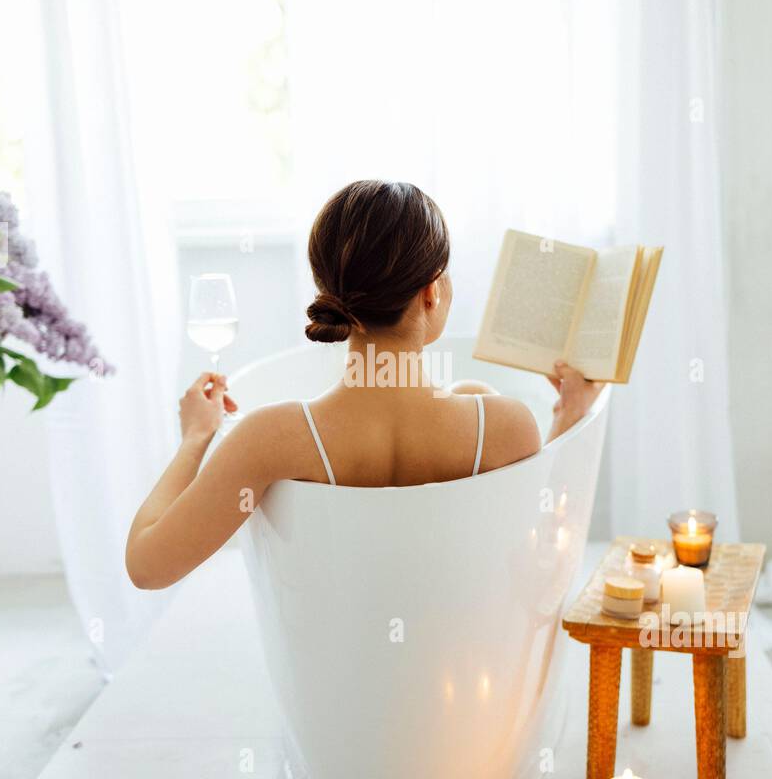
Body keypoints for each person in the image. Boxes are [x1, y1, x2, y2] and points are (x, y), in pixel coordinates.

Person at [126, 180, 602, 589]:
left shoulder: (268, 438)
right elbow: (544, 552)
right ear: (432, 290)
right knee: (472, 393)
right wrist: (569, 414)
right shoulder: (503, 425)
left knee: (470, 391)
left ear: (326, 290)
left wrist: (195, 438)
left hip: (332, 681)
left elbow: (147, 567)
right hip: (465, 679)